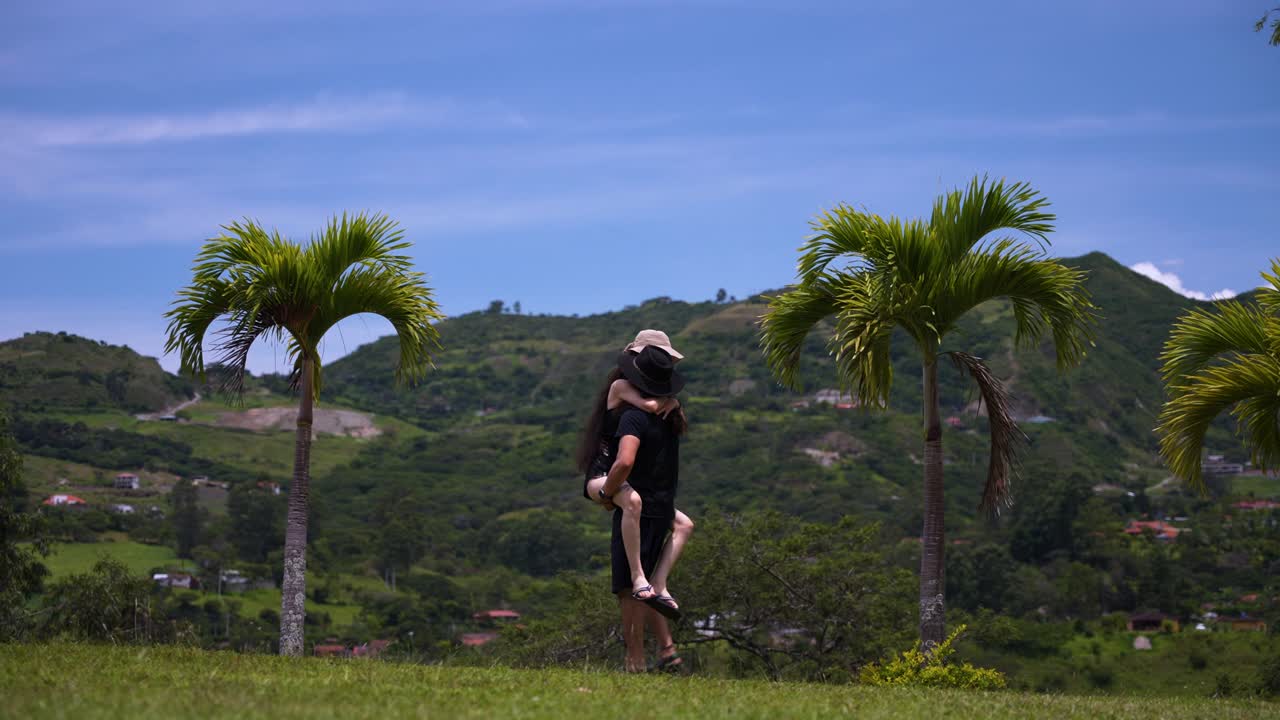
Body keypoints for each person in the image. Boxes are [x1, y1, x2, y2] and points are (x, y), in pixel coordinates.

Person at [576, 332, 693, 620]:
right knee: (633, 502)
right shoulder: (620, 386)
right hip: (602, 474)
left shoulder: (652, 395)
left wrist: (674, 404)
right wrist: (673, 402)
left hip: (622, 477)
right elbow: (652, 407)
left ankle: (659, 583)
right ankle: (639, 578)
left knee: (684, 524)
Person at [598, 344, 691, 673]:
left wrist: (611, 493)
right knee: (646, 583)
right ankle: (665, 650)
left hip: (635, 494)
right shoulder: (661, 412)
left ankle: (639, 656)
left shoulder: (637, 414)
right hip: (634, 489)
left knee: (632, 587)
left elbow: (625, 461)